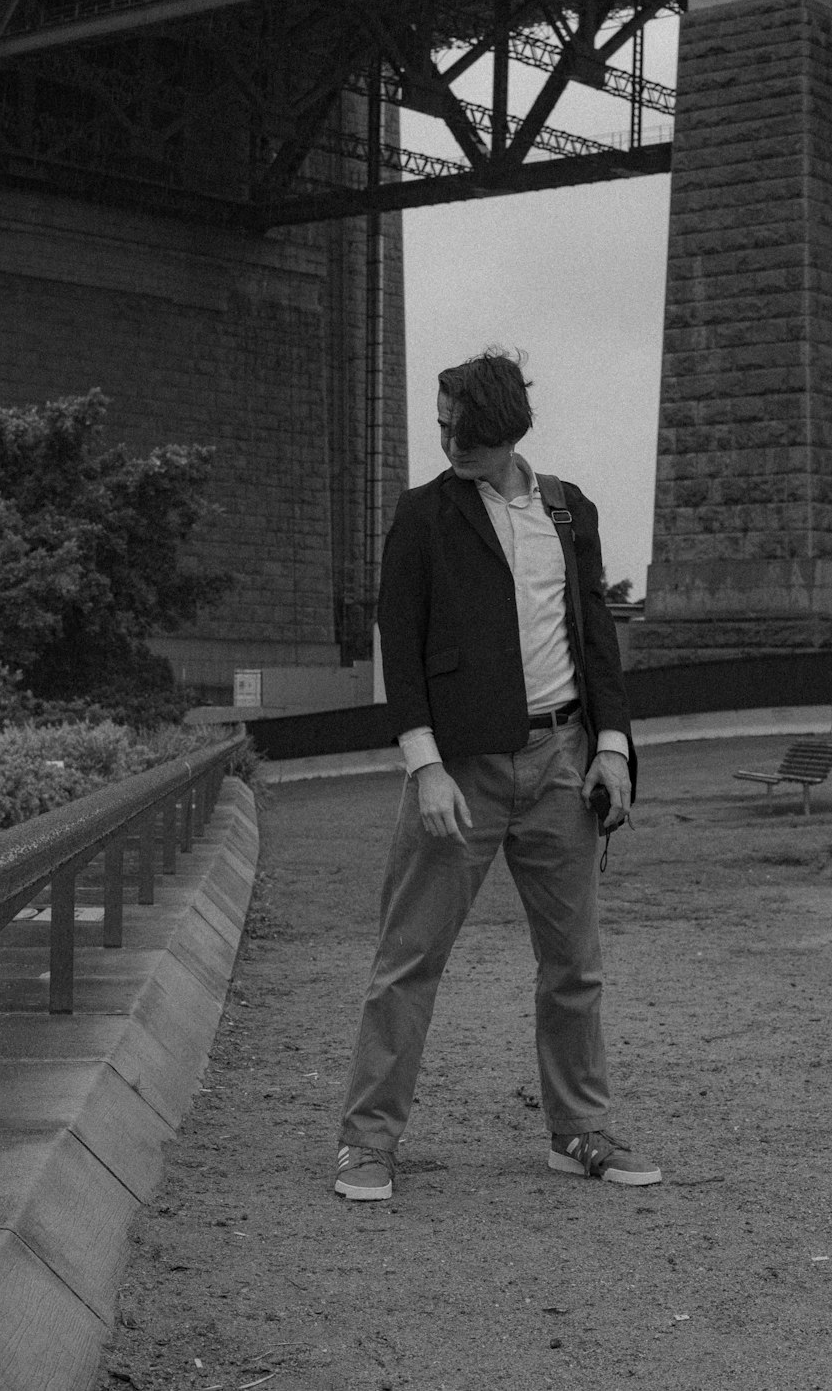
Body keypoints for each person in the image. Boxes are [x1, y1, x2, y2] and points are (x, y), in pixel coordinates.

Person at [335, 348, 661, 1201]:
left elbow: (599, 639)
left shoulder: (568, 512)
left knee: (574, 966)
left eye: (467, 434)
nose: (450, 444)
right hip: (460, 773)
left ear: (511, 430)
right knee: (407, 961)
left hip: (563, 762)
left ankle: (579, 1132)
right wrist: (425, 767)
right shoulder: (422, 516)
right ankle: (366, 1143)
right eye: (442, 427)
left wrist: (614, 748)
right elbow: (398, 649)